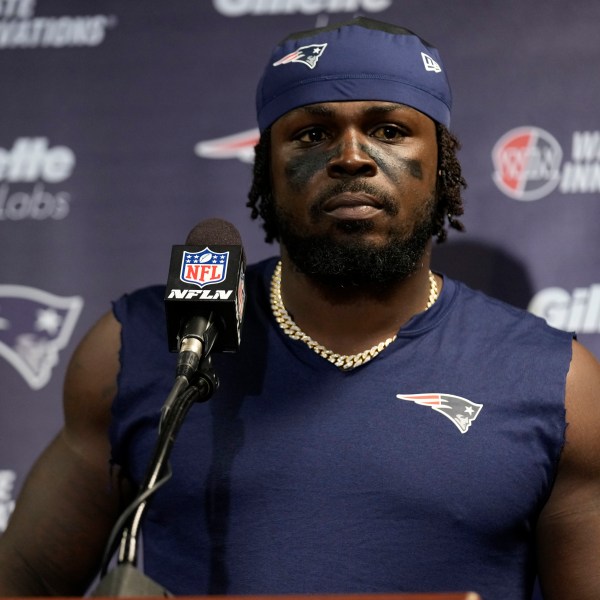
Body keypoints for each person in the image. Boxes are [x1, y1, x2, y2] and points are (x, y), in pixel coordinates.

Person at [0, 17, 599, 600]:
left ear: (442, 164)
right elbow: (27, 577)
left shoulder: (554, 382)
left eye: (389, 130)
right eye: (312, 134)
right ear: (267, 168)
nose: (352, 158)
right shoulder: (146, 346)